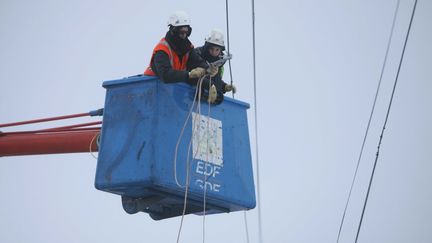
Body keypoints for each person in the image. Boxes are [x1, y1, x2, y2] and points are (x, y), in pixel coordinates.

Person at [144, 11, 218, 85]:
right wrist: (188, 74)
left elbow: (197, 62)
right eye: (181, 32)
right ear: (173, 31)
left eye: (186, 32)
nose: (184, 36)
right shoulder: (162, 50)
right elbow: (165, 75)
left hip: (171, 88)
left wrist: (208, 68)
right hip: (152, 86)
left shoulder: (187, 48)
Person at [195, 29, 236, 105]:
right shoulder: (198, 53)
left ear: (220, 50)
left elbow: (216, 78)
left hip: (210, 89)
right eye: (211, 49)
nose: (214, 52)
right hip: (195, 84)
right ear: (207, 47)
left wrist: (224, 86)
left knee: (219, 95)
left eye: (217, 50)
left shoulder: (220, 63)